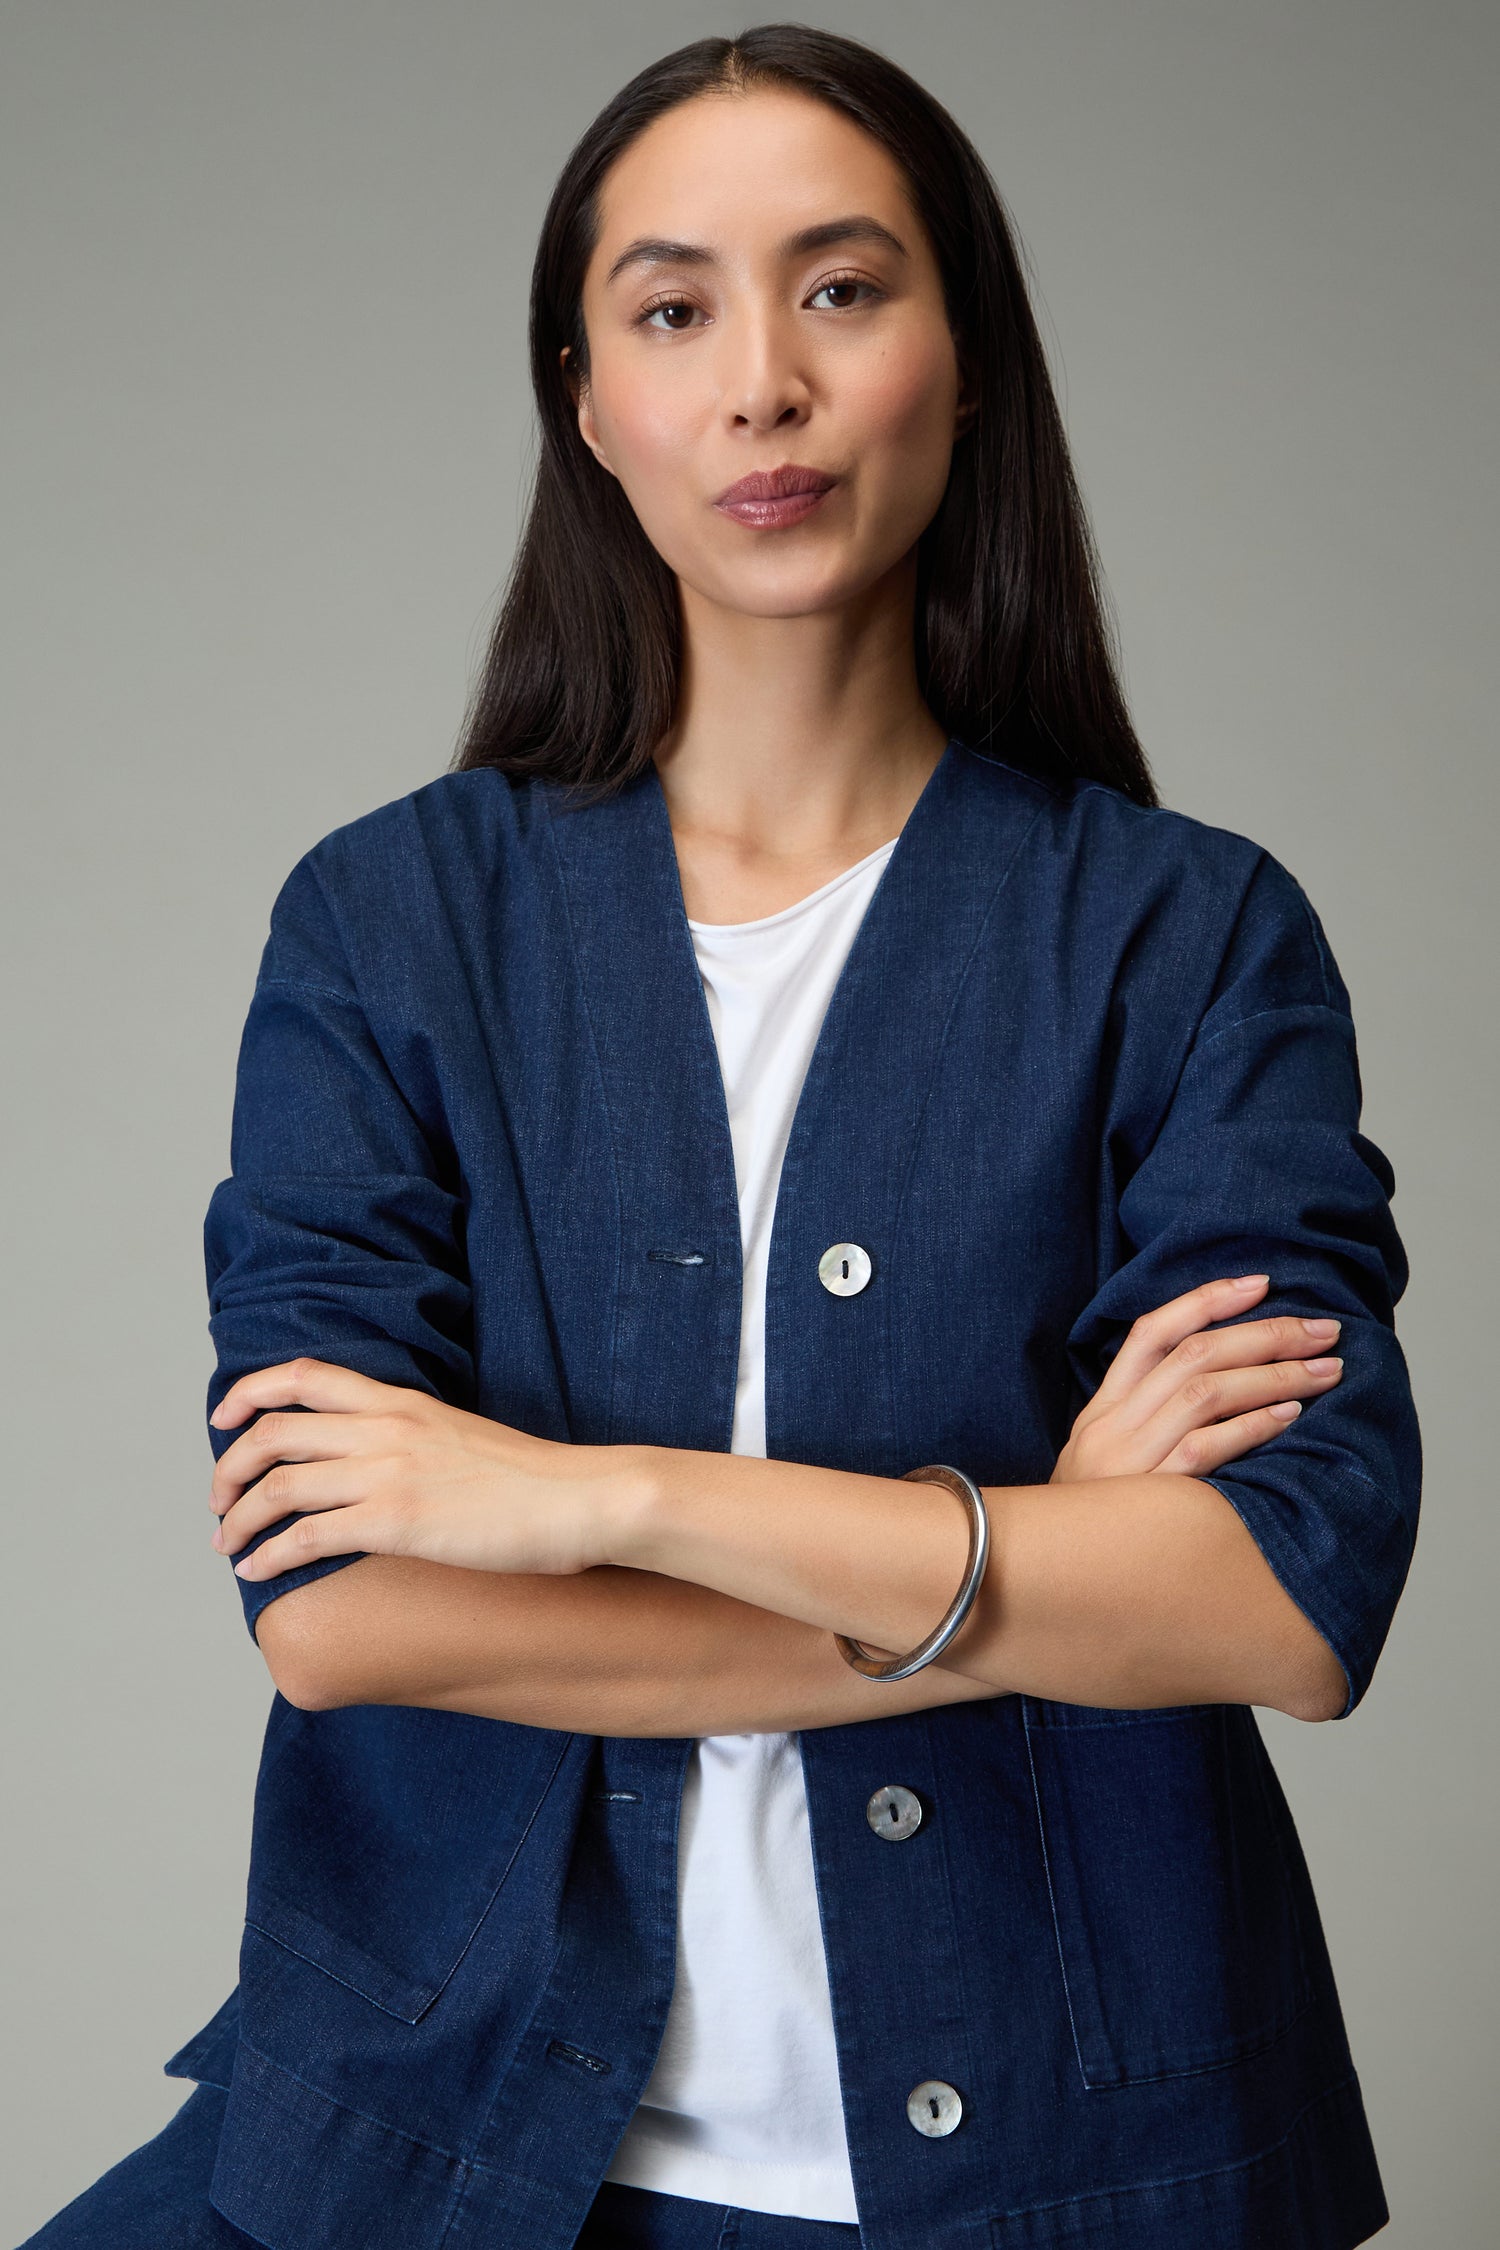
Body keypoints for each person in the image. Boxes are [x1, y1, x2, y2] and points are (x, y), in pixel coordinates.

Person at [26, 24, 1420, 2250]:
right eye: (673, 310)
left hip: (1060, 2172)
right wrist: (1043, 1564)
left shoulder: (1187, 936)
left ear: (970, 363)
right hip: (440, 2136)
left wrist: (596, 1500)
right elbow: (339, 1606)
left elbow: (1279, 1597)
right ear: (589, 402)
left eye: (842, 290)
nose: (764, 383)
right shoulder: (392, 923)